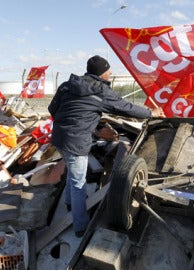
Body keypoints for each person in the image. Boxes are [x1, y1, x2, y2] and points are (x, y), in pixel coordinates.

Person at [48, 55, 163, 237]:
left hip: (59, 138)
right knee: (79, 183)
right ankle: (81, 226)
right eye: (108, 70)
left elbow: (52, 109)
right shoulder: (100, 90)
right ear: (102, 73)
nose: (110, 73)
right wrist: (151, 112)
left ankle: (70, 202)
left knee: (73, 171)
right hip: (76, 140)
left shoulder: (66, 85)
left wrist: (77, 118)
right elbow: (125, 107)